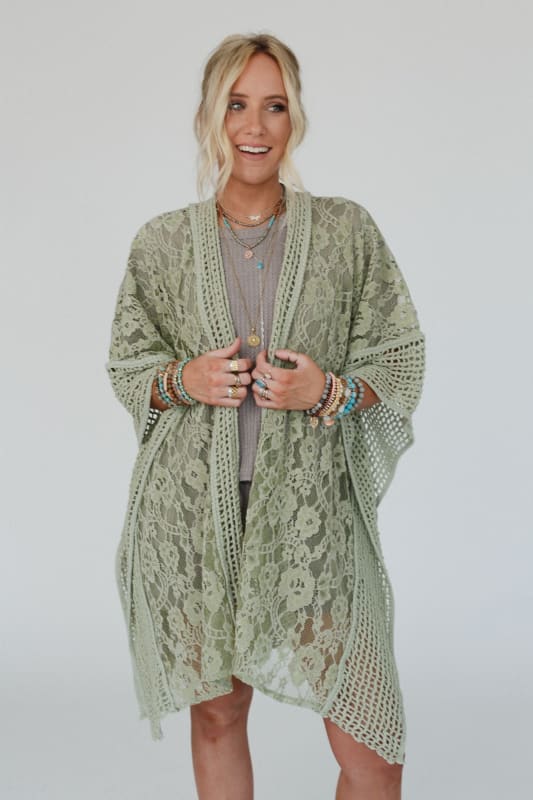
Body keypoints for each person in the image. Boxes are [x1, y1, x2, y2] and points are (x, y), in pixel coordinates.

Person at [105, 31, 425, 800]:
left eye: (274, 106)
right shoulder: (161, 244)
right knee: (219, 715)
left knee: (371, 747)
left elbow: (398, 357)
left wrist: (327, 391)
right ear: (208, 118)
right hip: (192, 522)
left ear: (295, 117)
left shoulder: (345, 231)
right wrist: (184, 378)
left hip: (311, 515)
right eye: (236, 105)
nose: (255, 125)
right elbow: (128, 367)